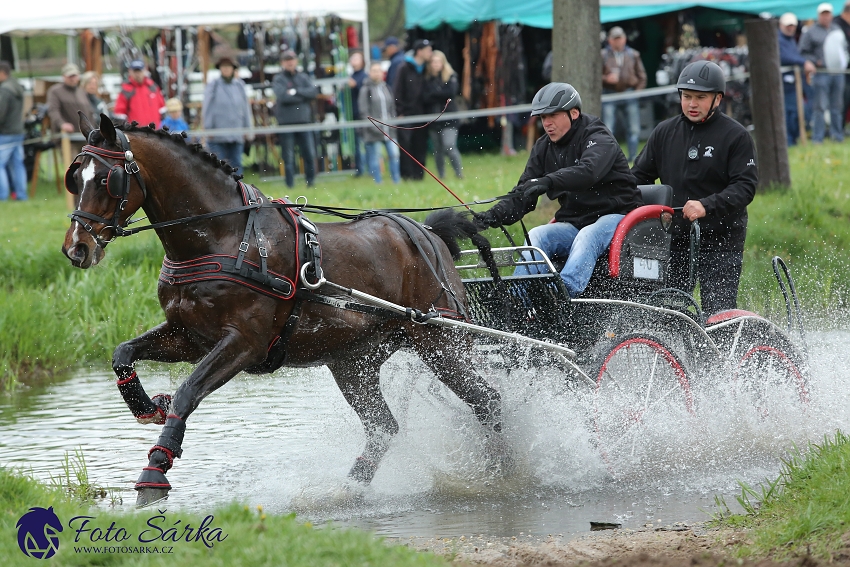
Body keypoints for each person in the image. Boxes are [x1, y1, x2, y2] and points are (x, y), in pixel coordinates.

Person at [473, 83, 643, 298]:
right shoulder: (543, 147)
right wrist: (490, 216)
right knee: (537, 235)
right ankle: (517, 299)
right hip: (576, 223)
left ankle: (562, 294)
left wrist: (549, 181)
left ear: (574, 113)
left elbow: (589, 171)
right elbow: (523, 195)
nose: (547, 123)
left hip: (618, 218)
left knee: (588, 235)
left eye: (552, 115)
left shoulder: (598, 136)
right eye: (543, 118)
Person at [631, 60, 758, 317]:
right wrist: (650, 210)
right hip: (674, 239)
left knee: (718, 315)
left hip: (722, 240)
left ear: (718, 99)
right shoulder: (664, 132)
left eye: (700, 97)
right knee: (670, 314)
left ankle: (720, 356)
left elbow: (745, 187)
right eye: (686, 96)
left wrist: (706, 205)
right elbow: (638, 178)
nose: (691, 104)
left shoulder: (736, 136)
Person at [799, 3, 847, 143]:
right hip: (821, 73)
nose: (826, 16)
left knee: (837, 106)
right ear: (819, 15)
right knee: (819, 106)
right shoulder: (811, 31)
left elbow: (843, 49)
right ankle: (818, 138)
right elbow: (803, 52)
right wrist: (815, 61)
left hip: (838, 73)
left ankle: (837, 136)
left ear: (831, 15)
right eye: (823, 14)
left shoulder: (836, 29)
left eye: (828, 14)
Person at [272, 50, 319, 188]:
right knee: (289, 157)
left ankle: (310, 182)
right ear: (282, 63)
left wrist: (295, 91)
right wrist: (302, 95)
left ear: (296, 61)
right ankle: (290, 184)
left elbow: (313, 92)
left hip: (304, 121)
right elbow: (282, 97)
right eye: (287, 60)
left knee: (309, 154)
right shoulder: (279, 79)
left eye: (292, 59)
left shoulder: (303, 77)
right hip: (286, 123)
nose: (290, 62)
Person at [601, 26, 647, 163]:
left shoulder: (634, 54)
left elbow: (642, 76)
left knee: (633, 128)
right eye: (614, 39)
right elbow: (595, 76)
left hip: (629, 93)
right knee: (609, 128)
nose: (617, 42)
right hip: (609, 94)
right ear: (609, 40)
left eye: (619, 38)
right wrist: (606, 79)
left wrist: (637, 92)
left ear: (624, 39)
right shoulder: (602, 55)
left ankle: (633, 157)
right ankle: (612, 158)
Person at [202, 54, 253, 171]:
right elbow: (207, 108)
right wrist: (208, 128)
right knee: (218, 166)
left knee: (237, 164)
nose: (226, 69)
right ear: (219, 68)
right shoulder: (213, 85)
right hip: (217, 134)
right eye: (223, 67)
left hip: (237, 132)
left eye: (228, 67)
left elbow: (245, 109)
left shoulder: (239, 85)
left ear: (233, 69)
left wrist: (248, 129)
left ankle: (238, 188)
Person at [393, 39, 432, 180]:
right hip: (407, 115)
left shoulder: (427, 69)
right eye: (428, 50)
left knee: (420, 145)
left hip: (422, 114)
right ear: (419, 51)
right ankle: (407, 175)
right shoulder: (404, 68)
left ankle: (419, 175)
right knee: (406, 146)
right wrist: (400, 112)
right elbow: (397, 92)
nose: (430, 53)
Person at [358, 61, 401, 184]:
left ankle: (396, 181)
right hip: (373, 131)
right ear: (369, 73)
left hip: (389, 130)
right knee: (376, 157)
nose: (377, 73)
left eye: (379, 71)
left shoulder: (386, 87)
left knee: (394, 155)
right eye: (374, 71)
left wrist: (392, 123)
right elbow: (364, 111)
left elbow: (392, 107)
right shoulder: (365, 90)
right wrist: (375, 127)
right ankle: (378, 182)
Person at [423, 50, 463, 179]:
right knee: (437, 150)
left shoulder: (451, 76)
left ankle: (459, 173)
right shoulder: (427, 79)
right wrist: (438, 94)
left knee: (449, 146)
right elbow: (425, 97)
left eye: (438, 61)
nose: (435, 64)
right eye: (433, 62)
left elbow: (450, 93)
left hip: (449, 118)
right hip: (434, 119)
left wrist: (435, 94)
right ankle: (441, 176)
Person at [779, 13, 817, 146]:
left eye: (793, 25)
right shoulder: (779, 39)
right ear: (781, 25)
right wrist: (803, 62)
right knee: (791, 112)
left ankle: (792, 139)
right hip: (784, 83)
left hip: (794, 82)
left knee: (798, 112)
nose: (791, 28)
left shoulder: (791, 39)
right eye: (788, 25)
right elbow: (783, 57)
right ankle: (789, 141)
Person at [46, 62, 94, 162]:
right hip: (67, 139)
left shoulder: (81, 92)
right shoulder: (55, 91)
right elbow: (53, 110)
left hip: (84, 139)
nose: (72, 78)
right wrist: (62, 124)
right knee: (73, 168)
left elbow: (89, 113)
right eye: (70, 76)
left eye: (74, 75)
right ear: (64, 76)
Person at [0, 60, 27, 201]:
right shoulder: (17, 86)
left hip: (5, 133)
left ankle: (2, 195)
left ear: (2, 73)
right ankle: (21, 195)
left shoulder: (5, 89)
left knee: (0, 165)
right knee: (18, 165)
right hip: (18, 131)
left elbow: (0, 114)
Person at [113, 59, 166, 128]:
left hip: (155, 133)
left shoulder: (153, 87)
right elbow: (119, 114)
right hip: (137, 135)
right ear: (130, 72)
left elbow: (162, 110)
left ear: (144, 71)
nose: (137, 74)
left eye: (139, 71)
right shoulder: (126, 90)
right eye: (135, 72)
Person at [347, 50, 367, 176]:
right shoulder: (351, 76)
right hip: (353, 114)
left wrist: (355, 86)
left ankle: (366, 168)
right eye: (352, 58)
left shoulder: (364, 76)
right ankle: (359, 168)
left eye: (356, 58)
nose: (353, 60)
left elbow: (365, 94)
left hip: (361, 113)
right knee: (356, 144)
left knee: (364, 143)